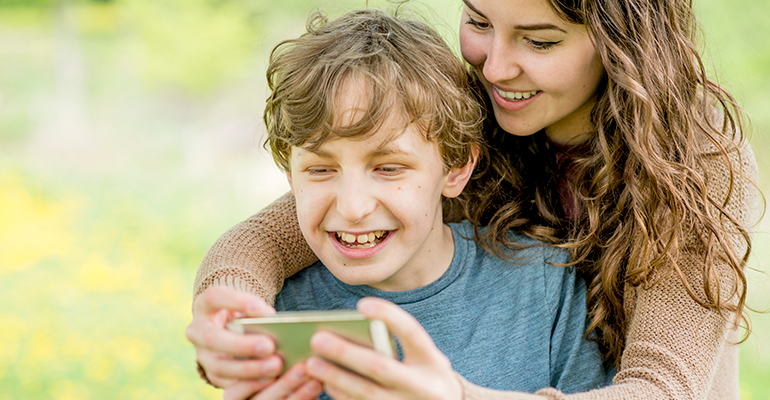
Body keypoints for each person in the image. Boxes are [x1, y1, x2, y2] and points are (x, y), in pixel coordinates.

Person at [186, 0, 760, 399]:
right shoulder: (476, 114)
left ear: (623, 41)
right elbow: (274, 234)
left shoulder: (691, 159)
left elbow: (664, 390)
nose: (495, 66)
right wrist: (230, 312)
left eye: (539, 40)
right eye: (479, 22)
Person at [260, 8, 609, 399]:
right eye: (321, 170)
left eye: (389, 168)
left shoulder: (544, 284)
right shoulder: (276, 311)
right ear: (290, 177)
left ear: (456, 169)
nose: (353, 207)